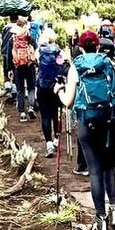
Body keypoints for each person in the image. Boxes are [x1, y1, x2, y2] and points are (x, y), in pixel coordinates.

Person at [59, 29, 115, 230]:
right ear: (98, 45)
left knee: (95, 170)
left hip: (86, 125)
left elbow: (68, 102)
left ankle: (101, 220)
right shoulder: (110, 64)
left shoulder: (75, 67)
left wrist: (59, 92)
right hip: (110, 123)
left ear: (80, 47)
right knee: (109, 167)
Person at [35, 28, 68, 156]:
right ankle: (56, 140)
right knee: (57, 113)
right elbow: (63, 67)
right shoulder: (60, 51)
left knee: (45, 115)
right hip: (56, 86)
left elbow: (36, 63)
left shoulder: (39, 51)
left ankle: (48, 143)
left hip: (43, 86)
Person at [10, 15, 37, 121]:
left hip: (18, 67)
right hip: (29, 65)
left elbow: (9, 54)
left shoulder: (13, 38)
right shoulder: (29, 37)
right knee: (31, 87)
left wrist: (9, 69)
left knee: (20, 89)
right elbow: (36, 49)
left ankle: (22, 113)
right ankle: (31, 107)